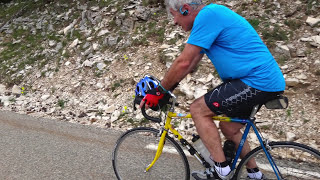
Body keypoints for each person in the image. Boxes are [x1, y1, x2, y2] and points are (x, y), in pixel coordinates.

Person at [140, 0, 286, 179]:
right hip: (261, 80)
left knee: (198, 109)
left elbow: (184, 61)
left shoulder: (208, 15)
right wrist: (169, 88)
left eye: (173, 15)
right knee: (229, 127)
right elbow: (191, 63)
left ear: (185, 9)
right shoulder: (209, 19)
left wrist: (159, 91)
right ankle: (254, 174)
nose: (174, 22)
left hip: (256, 80)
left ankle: (221, 171)